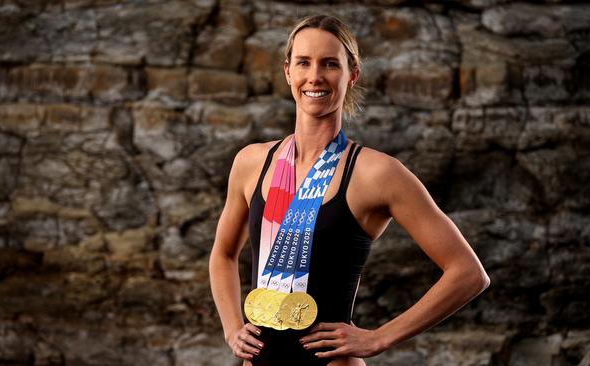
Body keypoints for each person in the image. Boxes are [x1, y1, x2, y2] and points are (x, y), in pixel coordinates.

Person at [209, 14, 490, 366]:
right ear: (287, 72)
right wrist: (232, 328)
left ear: (351, 74)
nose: (315, 76)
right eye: (304, 63)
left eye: (330, 64)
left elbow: (468, 273)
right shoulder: (251, 162)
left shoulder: (377, 174)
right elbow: (223, 255)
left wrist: (380, 337)